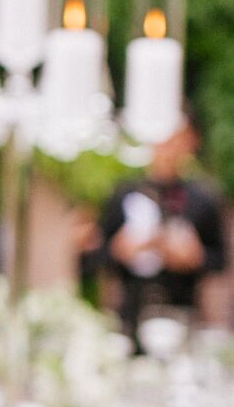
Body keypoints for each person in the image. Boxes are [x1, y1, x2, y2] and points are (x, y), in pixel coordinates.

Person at [95, 106, 228, 341]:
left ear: (191, 141)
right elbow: (96, 257)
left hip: (183, 314)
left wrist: (195, 257)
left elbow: (220, 261)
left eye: (177, 137)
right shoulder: (124, 193)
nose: (169, 147)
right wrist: (120, 250)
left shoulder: (204, 198)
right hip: (131, 315)